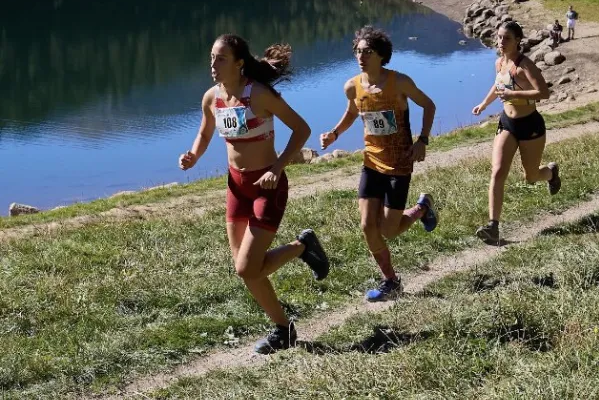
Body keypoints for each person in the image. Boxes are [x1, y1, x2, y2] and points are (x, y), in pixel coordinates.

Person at [179, 35, 329, 355]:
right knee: (247, 270)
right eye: (212, 57)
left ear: (239, 63)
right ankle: (283, 330)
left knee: (248, 268)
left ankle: (302, 247)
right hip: (236, 187)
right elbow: (205, 132)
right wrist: (193, 155)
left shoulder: (258, 94)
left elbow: (301, 129)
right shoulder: (212, 97)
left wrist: (278, 167)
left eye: (221, 58)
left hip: (267, 187)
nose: (213, 64)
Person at [319, 27, 438, 302]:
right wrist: (334, 134)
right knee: (367, 226)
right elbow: (353, 112)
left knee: (388, 230)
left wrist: (422, 140)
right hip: (371, 162)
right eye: (357, 51)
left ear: (381, 55)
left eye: (367, 52)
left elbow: (429, 105)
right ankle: (391, 281)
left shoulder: (399, 82)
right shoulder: (352, 86)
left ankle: (422, 208)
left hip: (399, 163)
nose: (361, 57)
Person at [471, 21, 560, 245]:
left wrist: (513, 95)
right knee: (497, 172)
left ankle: (551, 173)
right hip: (507, 123)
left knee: (531, 177)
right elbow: (498, 86)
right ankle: (493, 226)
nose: (501, 41)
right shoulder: (499, 62)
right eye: (499, 37)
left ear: (518, 40)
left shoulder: (524, 65)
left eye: (507, 38)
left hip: (530, 125)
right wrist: (484, 104)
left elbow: (544, 92)